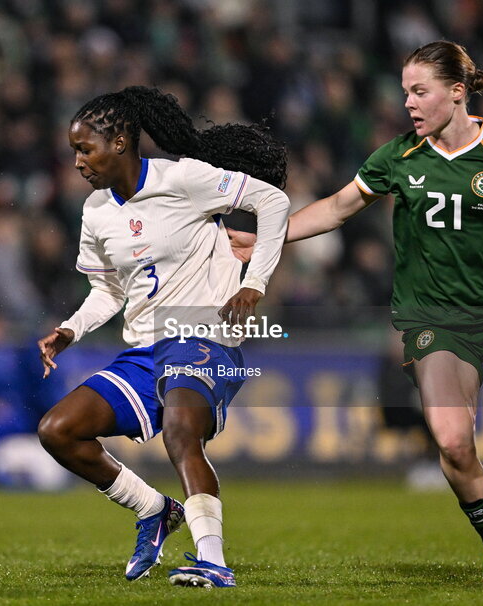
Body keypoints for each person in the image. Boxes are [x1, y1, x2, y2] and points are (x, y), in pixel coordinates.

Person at [230, 41, 483, 586]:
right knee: (453, 440)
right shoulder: (397, 157)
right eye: (405, 91)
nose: (407, 102)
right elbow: (338, 207)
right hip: (433, 321)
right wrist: (269, 237)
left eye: (419, 91)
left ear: (457, 93)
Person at [36, 86, 290, 588]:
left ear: (122, 142)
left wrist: (253, 285)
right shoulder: (96, 212)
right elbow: (108, 289)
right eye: (73, 152)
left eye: (85, 149)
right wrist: (72, 328)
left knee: (179, 431)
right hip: (145, 349)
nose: (78, 162)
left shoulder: (184, 178)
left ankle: (213, 560)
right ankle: (154, 509)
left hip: (204, 334)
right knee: (57, 430)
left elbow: (273, 202)